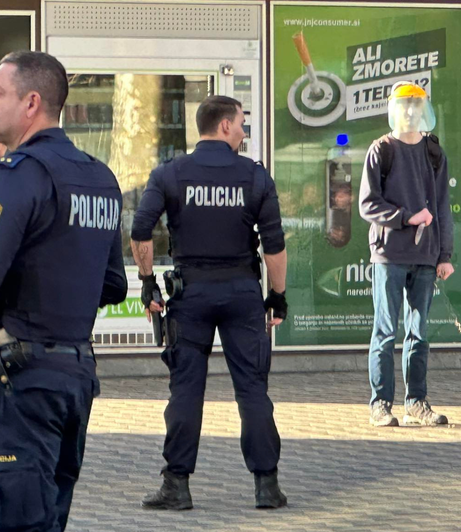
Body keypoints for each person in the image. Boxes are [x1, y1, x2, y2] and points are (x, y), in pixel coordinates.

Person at [131, 95, 288, 510]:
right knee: (252, 389)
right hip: (241, 294)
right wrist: (278, 296)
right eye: (240, 124)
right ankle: (267, 486)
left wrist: (148, 285)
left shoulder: (170, 173)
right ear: (223, 126)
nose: (243, 131)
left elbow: (140, 229)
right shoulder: (254, 177)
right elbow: (274, 246)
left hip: (191, 296)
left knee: (185, 390)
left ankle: (176, 485)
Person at [0, 50, 127, 531]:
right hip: (75, 373)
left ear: (31, 103)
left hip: (22, 379)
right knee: (51, 515)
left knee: (18, 519)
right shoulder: (99, 177)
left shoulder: (22, 174)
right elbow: (113, 284)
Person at [358, 81, 454, 427]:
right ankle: (380, 404)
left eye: (417, 106)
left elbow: (442, 206)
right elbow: (367, 204)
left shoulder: (433, 152)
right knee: (385, 330)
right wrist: (405, 218)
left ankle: (416, 401)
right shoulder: (381, 149)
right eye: (405, 106)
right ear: (394, 111)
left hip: (426, 256)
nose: (411, 113)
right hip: (389, 253)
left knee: (419, 331)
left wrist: (444, 254)